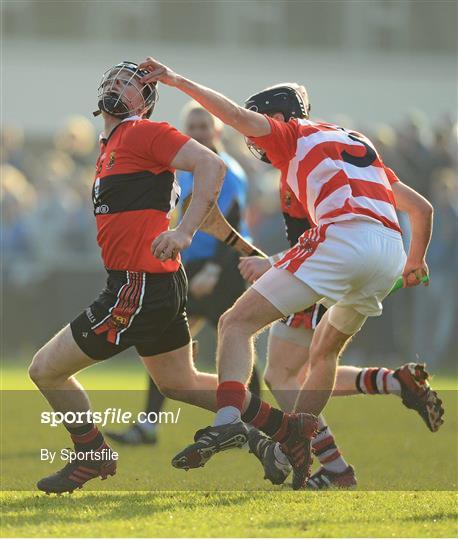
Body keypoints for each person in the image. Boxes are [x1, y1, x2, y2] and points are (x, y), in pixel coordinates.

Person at [138, 57, 435, 489]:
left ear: (277, 116)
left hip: (340, 244)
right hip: (389, 250)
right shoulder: (354, 142)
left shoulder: (291, 138)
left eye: (260, 120)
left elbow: (236, 118)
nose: (253, 136)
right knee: (321, 357)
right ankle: (330, 461)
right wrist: (414, 262)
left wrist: (175, 79)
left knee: (237, 325)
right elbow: (421, 209)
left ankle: (228, 420)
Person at [28, 61, 228, 494]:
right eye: (117, 79)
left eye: (133, 84)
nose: (121, 86)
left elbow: (211, 165)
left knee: (45, 370)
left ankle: (91, 456)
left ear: (146, 102)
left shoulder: (140, 132)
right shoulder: (112, 144)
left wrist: (185, 230)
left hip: (137, 283)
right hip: (150, 280)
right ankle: (284, 426)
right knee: (180, 384)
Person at [238, 178, 443, 489]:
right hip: (362, 272)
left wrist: (272, 262)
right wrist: (412, 263)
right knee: (313, 372)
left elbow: (323, 239)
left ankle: (331, 466)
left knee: (282, 375)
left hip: (316, 278)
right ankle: (395, 382)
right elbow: (419, 209)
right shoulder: (365, 164)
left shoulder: (308, 166)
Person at [105, 103, 261, 446]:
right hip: (188, 267)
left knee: (235, 342)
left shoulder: (228, 171)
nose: (200, 131)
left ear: (218, 131)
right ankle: (148, 426)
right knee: (164, 345)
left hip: (226, 265)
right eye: (193, 126)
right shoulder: (183, 168)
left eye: (206, 126)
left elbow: (229, 226)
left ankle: (259, 423)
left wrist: (214, 270)